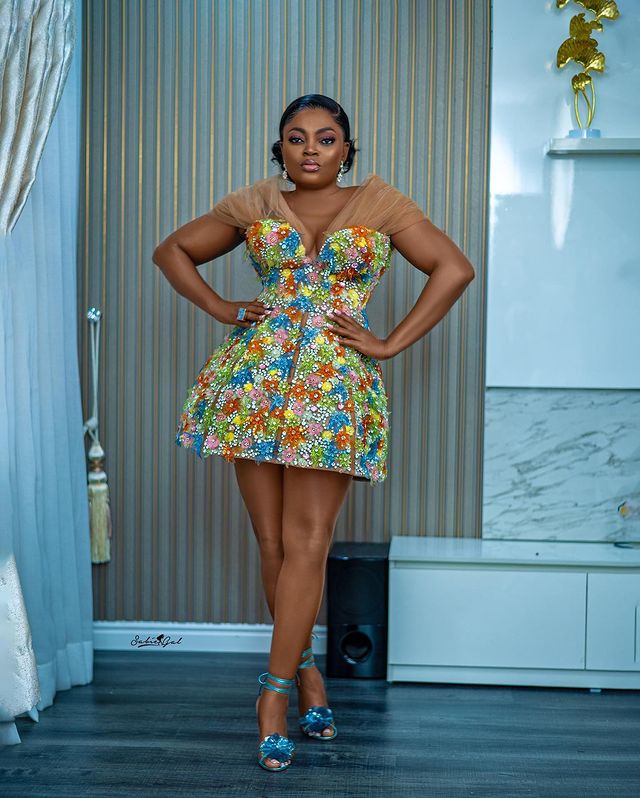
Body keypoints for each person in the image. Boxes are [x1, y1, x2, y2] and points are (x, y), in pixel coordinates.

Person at [152, 93, 475, 771]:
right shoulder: (254, 203)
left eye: (326, 138)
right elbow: (172, 250)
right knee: (271, 542)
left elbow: (455, 269)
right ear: (281, 150)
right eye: (296, 138)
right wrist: (222, 308)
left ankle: (271, 698)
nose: (310, 149)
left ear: (347, 150)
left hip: (331, 388)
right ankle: (306, 678)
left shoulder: (382, 204)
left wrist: (388, 343)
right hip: (254, 382)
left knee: (307, 543)